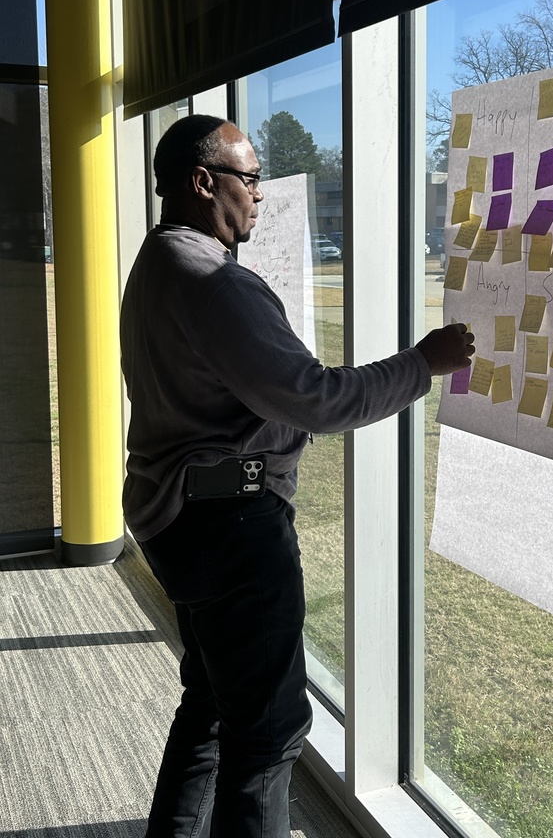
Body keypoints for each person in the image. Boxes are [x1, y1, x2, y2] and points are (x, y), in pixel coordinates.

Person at [120, 114, 475, 838]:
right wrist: (422, 364)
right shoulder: (216, 283)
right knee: (268, 737)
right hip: (229, 529)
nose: (259, 194)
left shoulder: (156, 260)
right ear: (203, 181)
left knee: (211, 704)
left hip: (176, 517)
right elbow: (317, 399)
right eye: (250, 179)